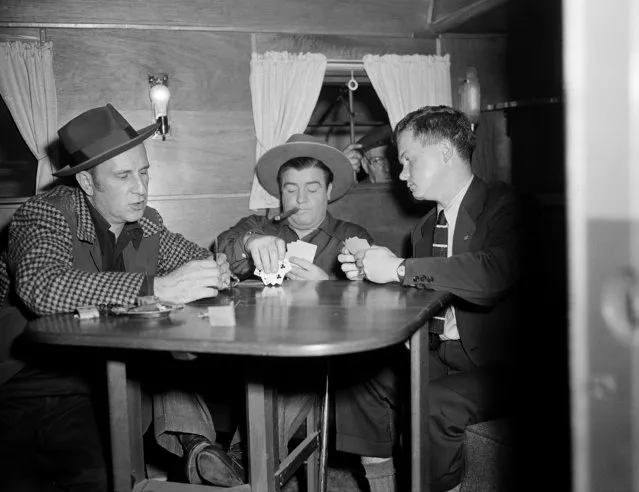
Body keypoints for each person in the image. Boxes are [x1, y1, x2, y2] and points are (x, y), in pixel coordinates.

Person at [0, 104, 238, 491]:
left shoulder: (147, 224)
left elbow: (199, 258)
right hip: (22, 380)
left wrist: (217, 269)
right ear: (88, 183)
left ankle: (195, 445)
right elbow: (42, 287)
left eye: (143, 172)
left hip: (98, 381)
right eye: (124, 176)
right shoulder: (44, 213)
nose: (141, 188)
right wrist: (158, 288)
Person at [339, 106, 520, 492]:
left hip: (503, 364)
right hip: (440, 353)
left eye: (408, 161)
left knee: (434, 403)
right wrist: (372, 275)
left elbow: (493, 272)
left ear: (443, 152)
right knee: (358, 379)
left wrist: (399, 268)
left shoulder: (506, 206)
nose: (401, 174)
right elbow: (421, 294)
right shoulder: (425, 230)